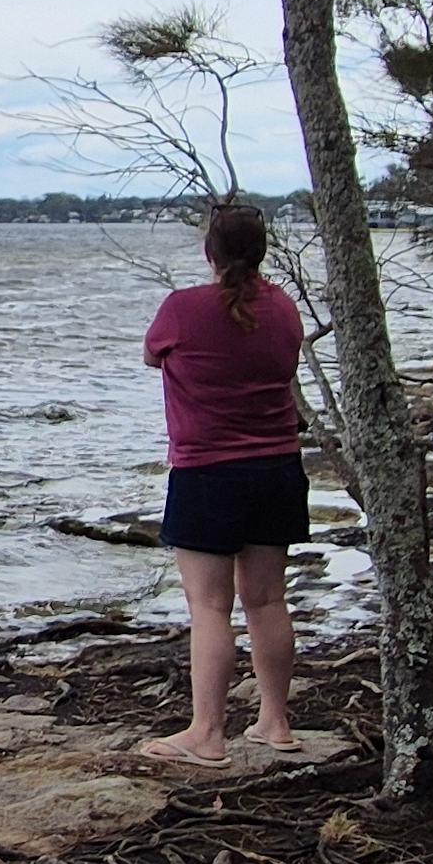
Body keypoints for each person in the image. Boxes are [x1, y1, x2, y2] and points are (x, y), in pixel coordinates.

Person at [138, 201, 308, 764]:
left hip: (208, 470)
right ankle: (275, 722)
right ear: (262, 251)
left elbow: (151, 356)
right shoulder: (283, 308)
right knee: (268, 599)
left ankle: (207, 733)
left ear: (209, 252)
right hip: (279, 468)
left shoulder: (183, 309)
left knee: (210, 607)